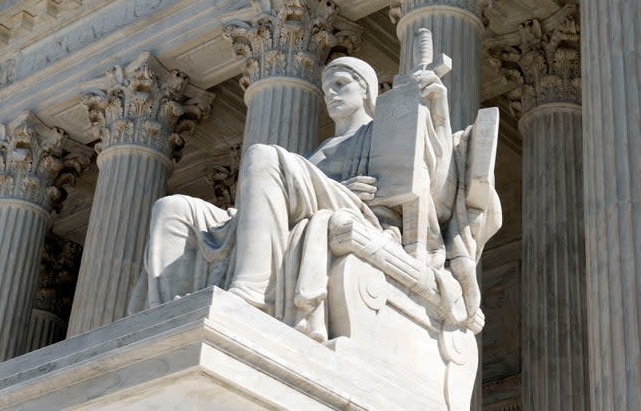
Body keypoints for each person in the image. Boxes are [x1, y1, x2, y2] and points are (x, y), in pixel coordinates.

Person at [129, 54, 458, 333]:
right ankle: (162, 318)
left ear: (368, 91)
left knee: (262, 156)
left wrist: (438, 115)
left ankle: (250, 291)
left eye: (341, 83)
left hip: (365, 212)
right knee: (173, 208)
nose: (330, 93)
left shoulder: (381, 132)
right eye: (327, 87)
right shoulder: (320, 150)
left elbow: (435, 190)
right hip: (320, 204)